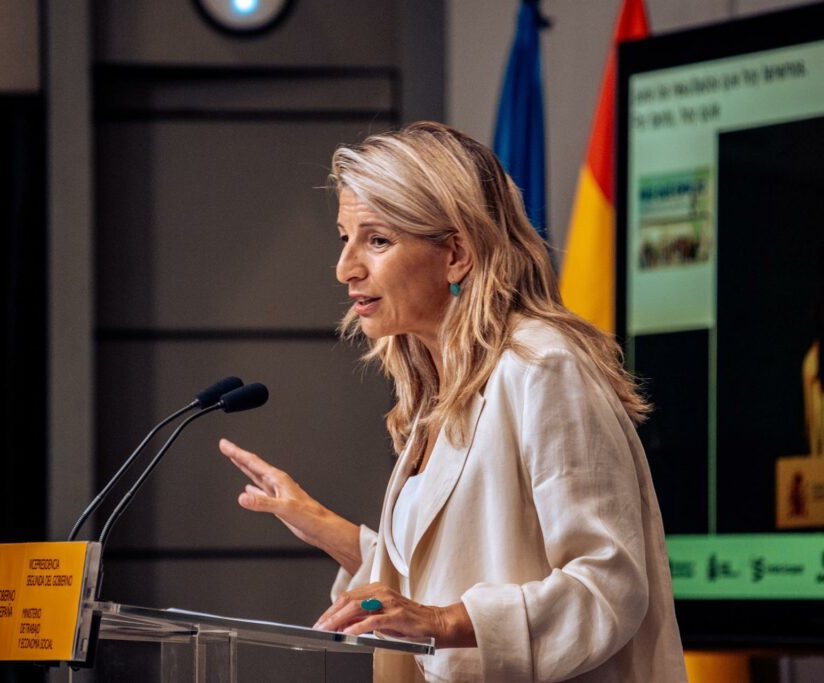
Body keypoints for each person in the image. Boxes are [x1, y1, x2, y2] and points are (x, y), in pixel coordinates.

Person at [219, 121, 687, 682]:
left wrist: (443, 622)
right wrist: (318, 523)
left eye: (377, 240)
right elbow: (446, 572)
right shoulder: (439, 388)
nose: (346, 268)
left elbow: (608, 586)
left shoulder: (542, 365)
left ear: (457, 254)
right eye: (345, 238)